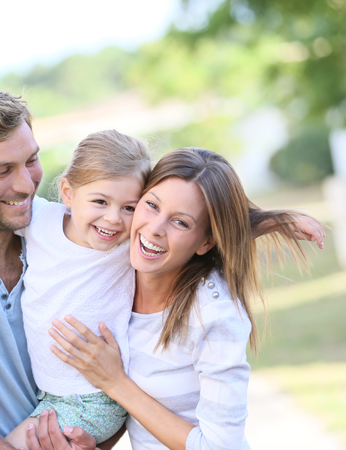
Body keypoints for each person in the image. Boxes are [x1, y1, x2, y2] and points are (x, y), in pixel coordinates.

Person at [0, 84, 324, 450]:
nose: (26, 184)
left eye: (31, 161)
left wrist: (273, 220)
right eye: (2, 170)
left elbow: (191, 214)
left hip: (71, 412)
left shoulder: (94, 235)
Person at [48, 147, 313, 450]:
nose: (155, 229)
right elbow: (144, 409)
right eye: (151, 206)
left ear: (206, 242)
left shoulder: (214, 315)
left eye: (181, 222)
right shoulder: (121, 274)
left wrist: (115, 382)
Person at [0, 129, 152, 448]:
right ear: (67, 192)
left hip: (95, 399)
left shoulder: (129, 249)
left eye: (129, 208)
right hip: (50, 393)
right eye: (100, 201)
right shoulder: (41, 221)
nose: (113, 219)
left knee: (8, 446)